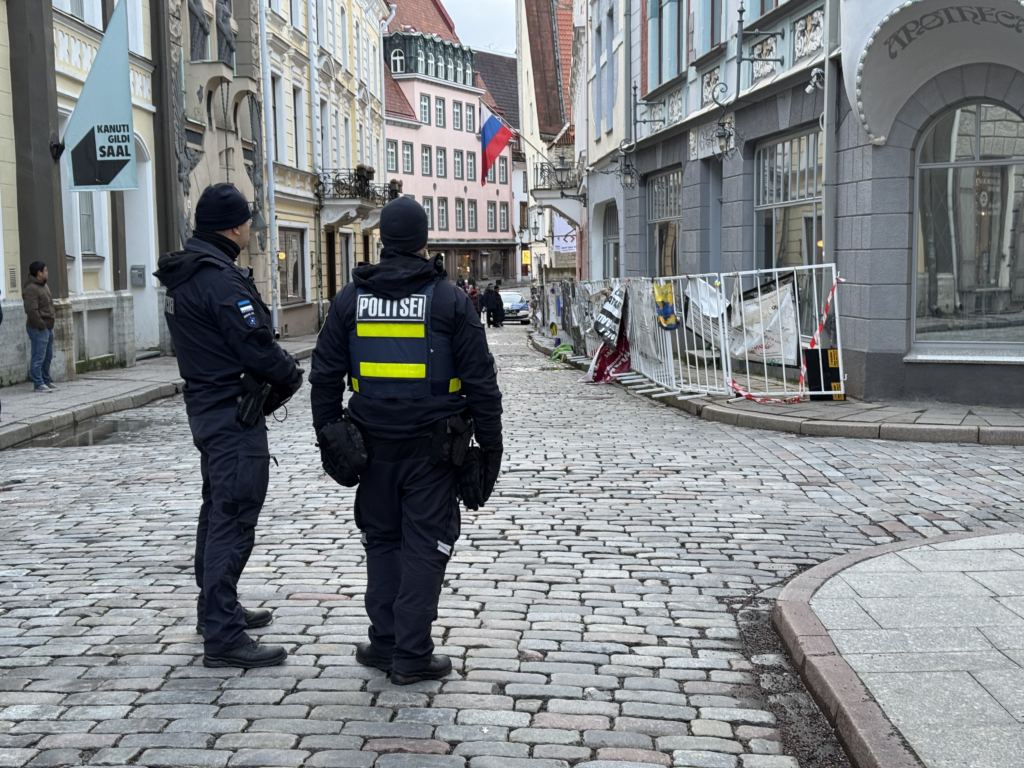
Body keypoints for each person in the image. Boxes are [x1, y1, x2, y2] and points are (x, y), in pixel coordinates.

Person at [310, 196, 503, 685]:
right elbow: (481, 382)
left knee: (382, 541)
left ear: (382, 240)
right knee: (425, 546)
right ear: (422, 242)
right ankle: (411, 654)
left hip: (370, 446)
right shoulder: (449, 300)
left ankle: (386, 641)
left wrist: (331, 434)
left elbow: (324, 375)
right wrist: (492, 451)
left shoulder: (351, 299)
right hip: (433, 450)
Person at [154, 183, 303, 669]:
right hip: (231, 411)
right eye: (247, 222)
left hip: (208, 406)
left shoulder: (190, 271)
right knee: (234, 516)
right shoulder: (216, 278)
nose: (249, 228)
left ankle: (213, 609)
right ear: (235, 227)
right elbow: (254, 343)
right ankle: (222, 634)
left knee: (217, 508)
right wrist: (289, 374)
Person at [23, 261, 57, 393]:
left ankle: (46, 380)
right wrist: (41, 325)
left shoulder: (44, 285)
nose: (47, 273)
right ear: (39, 273)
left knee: (48, 356)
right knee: (38, 356)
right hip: (38, 328)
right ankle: (38, 382)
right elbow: (31, 310)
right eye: (46, 270)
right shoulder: (31, 288)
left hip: (48, 326)